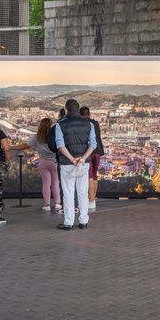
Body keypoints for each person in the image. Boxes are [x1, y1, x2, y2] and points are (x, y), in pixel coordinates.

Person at [55, 98, 97, 231]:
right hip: (84, 163)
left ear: (66, 110)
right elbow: (93, 144)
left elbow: (60, 145)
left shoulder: (60, 124)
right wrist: (83, 158)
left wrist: (72, 159)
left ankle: (69, 222)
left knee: (68, 193)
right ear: (78, 109)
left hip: (67, 163)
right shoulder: (89, 124)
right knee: (82, 192)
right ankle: (83, 221)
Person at [31, 117, 60, 213]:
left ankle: (47, 204)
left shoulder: (37, 137)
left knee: (46, 184)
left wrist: (11, 148)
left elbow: (26, 145)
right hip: (54, 162)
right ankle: (57, 203)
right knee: (55, 183)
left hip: (43, 162)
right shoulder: (54, 136)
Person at [79, 106, 105, 213]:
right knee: (94, 175)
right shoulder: (96, 123)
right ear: (89, 113)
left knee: (89, 176)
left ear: (80, 114)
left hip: (88, 152)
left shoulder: (82, 124)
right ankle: (93, 199)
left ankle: (90, 200)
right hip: (97, 151)